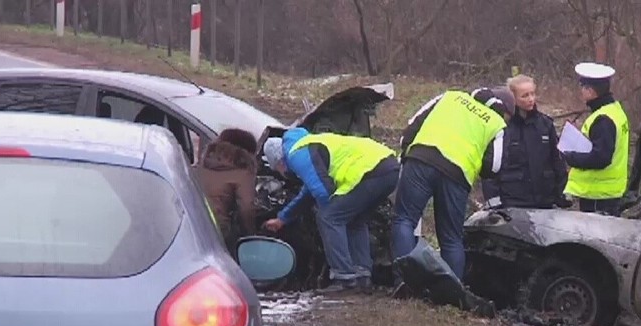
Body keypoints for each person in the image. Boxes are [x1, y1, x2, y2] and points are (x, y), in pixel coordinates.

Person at [391, 87, 514, 288]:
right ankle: (452, 291)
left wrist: (407, 149)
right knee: (451, 238)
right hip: (457, 176)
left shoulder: (450, 97)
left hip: (421, 159)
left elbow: (413, 124)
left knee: (405, 220)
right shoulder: (496, 124)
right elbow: (495, 167)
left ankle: (403, 280)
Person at [262, 128, 400, 293]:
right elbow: (308, 193)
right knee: (355, 220)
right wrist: (282, 218)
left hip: (371, 172)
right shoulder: (308, 144)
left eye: (278, 170)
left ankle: (344, 278)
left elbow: (322, 192)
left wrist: (328, 215)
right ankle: (362, 276)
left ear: (279, 161)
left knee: (329, 217)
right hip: (388, 168)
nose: (283, 174)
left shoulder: (296, 154)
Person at [481, 74, 569, 209]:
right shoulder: (503, 127)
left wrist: (562, 192)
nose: (531, 99)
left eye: (533, 94)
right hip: (513, 200)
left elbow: (557, 161)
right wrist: (493, 199)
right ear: (513, 98)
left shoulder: (545, 124)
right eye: (525, 95)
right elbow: (491, 165)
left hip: (544, 199)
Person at [562, 62, 630, 216]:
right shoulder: (615, 110)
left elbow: (601, 158)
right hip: (609, 191)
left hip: (597, 195)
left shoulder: (603, 119)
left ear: (590, 91)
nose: (581, 92)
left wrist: (570, 157)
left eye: (583, 88)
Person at [194, 127, 258, 253]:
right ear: (249, 152)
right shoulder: (243, 171)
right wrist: (251, 236)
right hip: (217, 230)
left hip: (192, 223)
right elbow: (246, 208)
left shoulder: (203, 163)